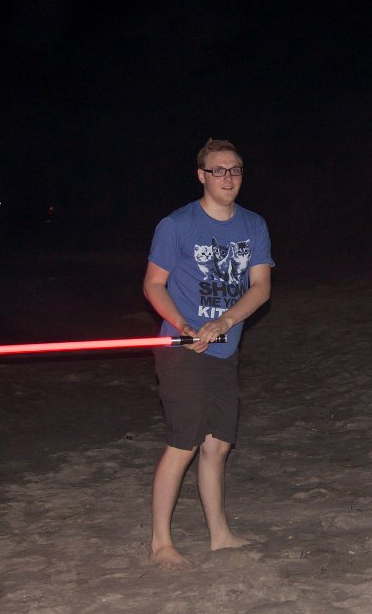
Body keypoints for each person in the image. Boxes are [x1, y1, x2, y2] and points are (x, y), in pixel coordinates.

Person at [142, 138, 274, 570]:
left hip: (225, 349)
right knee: (183, 444)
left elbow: (261, 287)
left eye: (234, 169)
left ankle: (220, 535)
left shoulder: (253, 225)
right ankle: (161, 543)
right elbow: (153, 285)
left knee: (218, 445)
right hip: (183, 350)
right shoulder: (177, 225)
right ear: (202, 176)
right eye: (218, 170)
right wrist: (184, 325)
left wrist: (225, 322)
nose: (228, 178)